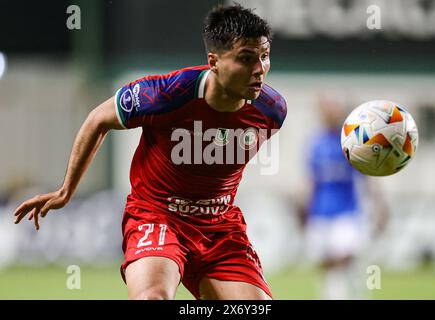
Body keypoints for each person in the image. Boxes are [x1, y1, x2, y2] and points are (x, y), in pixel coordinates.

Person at [13, 4, 287, 300]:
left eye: (264, 56)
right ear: (214, 62)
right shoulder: (166, 94)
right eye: (246, 59)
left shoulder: (272, 110)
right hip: (158, 216)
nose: (259, 69)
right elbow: (97, 120)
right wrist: (66, 190)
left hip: (220, 227)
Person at [298, 95, 387, 300]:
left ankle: (348, 294)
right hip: (320, 211)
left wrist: (379, 207)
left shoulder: (352, 141)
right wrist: (304, 207)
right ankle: (336, 294)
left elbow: (367, 178)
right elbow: (311, 180)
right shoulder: (315, 143)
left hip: (347, 212)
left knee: (343, 257)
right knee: (326, 263)